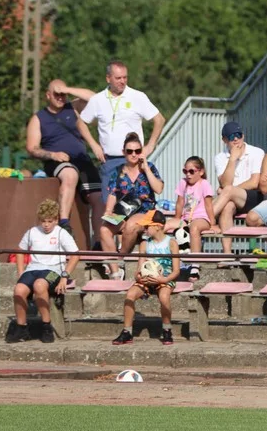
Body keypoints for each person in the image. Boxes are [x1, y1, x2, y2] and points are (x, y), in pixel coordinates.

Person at [71, 60, 166, 196]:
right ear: (108, 78)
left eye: (125, 77)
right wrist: (94, 145)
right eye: (118, 78)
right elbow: (81, 123)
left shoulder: (137, 96)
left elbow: (159, 119)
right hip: (109, 160)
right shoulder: (98, 99)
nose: (122, 81)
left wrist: (151, 145)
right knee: (109, 209)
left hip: (134, 160)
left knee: (135, 203)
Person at [25, 80, 106, 237]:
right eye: (56, 94)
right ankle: (64, 223)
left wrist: (67, 88)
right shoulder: (38, 118)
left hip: (82, 160)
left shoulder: (73, 108)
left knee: (99, 197)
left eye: (63, 94)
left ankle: (99, 242)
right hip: (57, 162)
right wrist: (52, 155)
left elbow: (94, 98)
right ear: (48, 95)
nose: (60, 97)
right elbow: (32, 148)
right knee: (70, 174)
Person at [6, 199, 80, 344]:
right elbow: (20, 251)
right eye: (43, 221)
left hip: (54, 270)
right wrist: (21, 271)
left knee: (40, 285)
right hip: (33, 269)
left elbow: (75, 255)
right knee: (19, 289)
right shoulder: (32, 232)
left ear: (56, 220)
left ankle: (46, 326)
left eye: (50, 221)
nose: (46, 225)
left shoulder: (61, 233)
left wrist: (65, 276)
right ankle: (21, 327)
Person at [100, 132, 164, 279]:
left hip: (145, 212)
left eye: (137, 151)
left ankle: (120, 258)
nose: (134, 154)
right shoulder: (118, 171)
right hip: (123, 211)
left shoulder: (150, 167)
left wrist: (146, 168)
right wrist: (109, 211)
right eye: (130, 151)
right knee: (104, 229)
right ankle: (116, 272)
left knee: (131, 224)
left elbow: (159, 189)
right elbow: (112, 193)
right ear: (124, 152)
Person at [112, 210, 180, 346]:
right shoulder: (145, 244)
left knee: (164, 297)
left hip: (165, 278)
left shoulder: (171, 243)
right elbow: (139, 267)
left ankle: (167, 329)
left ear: (158, 226)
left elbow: (176, 270)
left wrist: (164, 280)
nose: (144, 229)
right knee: (130, 295)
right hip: (147, 279)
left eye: (147, 226)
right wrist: (139, 277)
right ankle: (127, 331)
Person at [210, 122, 265, 254]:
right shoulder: (220, 157)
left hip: (253, 196)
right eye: (231, 136)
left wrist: (229, 191)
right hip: (233, 199)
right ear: (224, 140)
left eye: (238, 135)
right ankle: (227, 254)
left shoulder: (256, 152)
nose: (235, 139)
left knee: (228, 191)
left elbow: (254, 182)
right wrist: (233, 159)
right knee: (227, 206)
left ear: (243, 136)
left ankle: (207, 220)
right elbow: (225, 183)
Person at [172, 155, 214, 279]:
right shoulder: (182, 183)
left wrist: (213, 223)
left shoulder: (204, 184)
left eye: (191, 171)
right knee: (165, 226)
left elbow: (209, 205)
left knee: (194, 228)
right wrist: (177, 220)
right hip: (186, 218)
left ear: (201, 172)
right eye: (185, 171)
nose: (188, 175)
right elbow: (179, 203)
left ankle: (195, 264)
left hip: (202, 218)